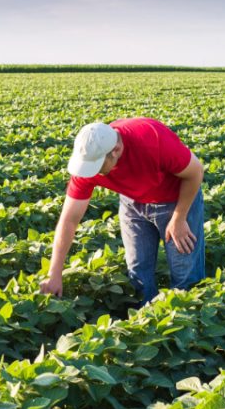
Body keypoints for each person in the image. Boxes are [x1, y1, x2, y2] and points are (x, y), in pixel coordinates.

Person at [39, 117, 206, 306]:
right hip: (132, 203)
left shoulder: (150, 139)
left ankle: (189, 321)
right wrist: (54, 273)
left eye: (97, 167)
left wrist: (179, 218)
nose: (91, 173)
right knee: (138, 272)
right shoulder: (89, 160)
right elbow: (69, 220)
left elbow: (196, 172)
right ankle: (146, 323)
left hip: (176, 199)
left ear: (116, 151)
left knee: (185, 272)